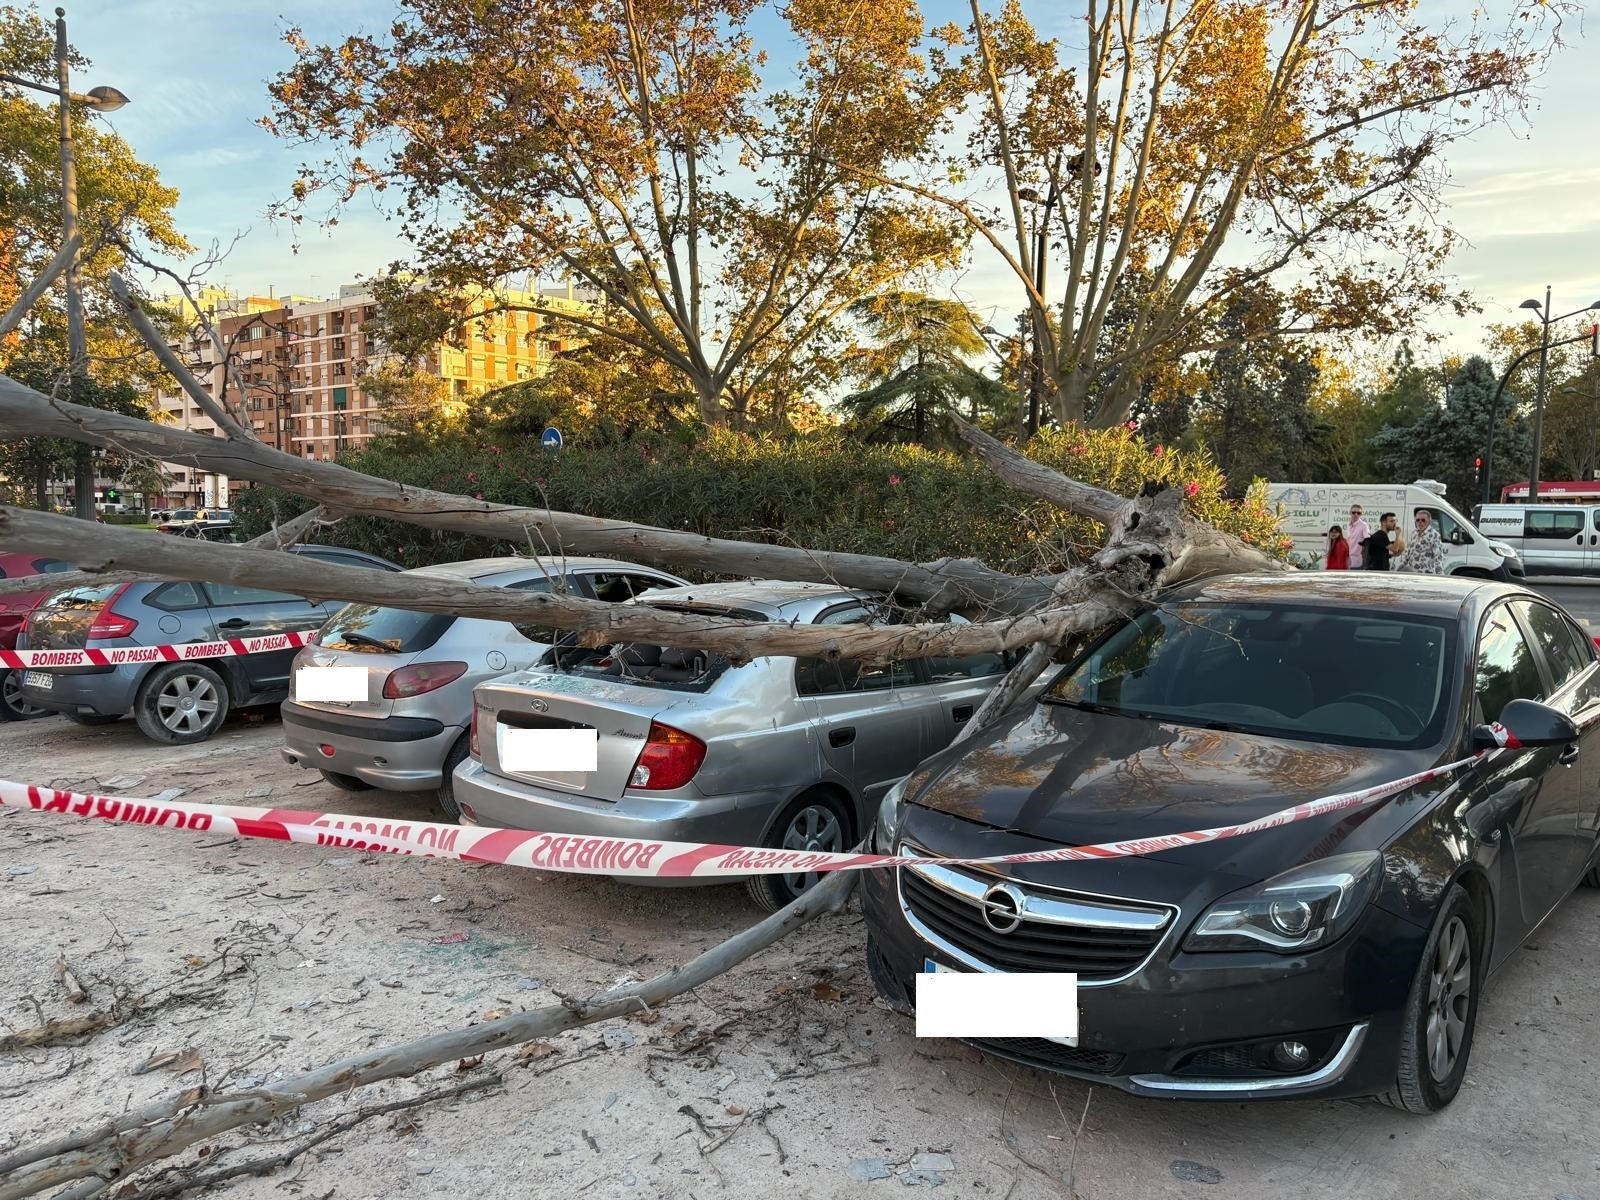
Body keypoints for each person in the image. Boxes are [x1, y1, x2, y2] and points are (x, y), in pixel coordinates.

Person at [1398, 508, 1444, 574]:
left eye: (1423, 520)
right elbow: (1407, 553)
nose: (1420, 522)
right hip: (1412, 573)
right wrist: (1399, 568)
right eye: (1417, 520)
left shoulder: (1434, 535)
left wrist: (1440, 575)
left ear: (1429, 521)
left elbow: (1438, 557)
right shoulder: (1414, 533)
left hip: (1426, 574)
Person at [1346, 504, 1371, 570]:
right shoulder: (1349, 525)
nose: (1356, 514)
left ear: (1361, 514)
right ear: (1350, 513)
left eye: (1358, 513)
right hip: (1348, 560)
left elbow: (1368, 543)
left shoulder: (1364, 525)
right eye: (1353, 512)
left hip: (1358, 561)